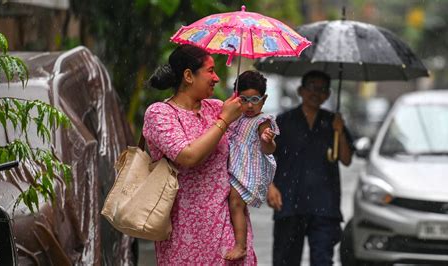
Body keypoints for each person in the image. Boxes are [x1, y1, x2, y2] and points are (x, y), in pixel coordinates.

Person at [143, 44, 257, 265]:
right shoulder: (160, 114)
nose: (216, 78)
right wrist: (224, 121)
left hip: (227, 227)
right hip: (183, 230)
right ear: (188, 76)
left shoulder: (216, 108)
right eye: (210, 70)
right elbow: (188, 156)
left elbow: (246, 145)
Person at [267, 70, 354, 266]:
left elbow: (346, 159)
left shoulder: (334, 122)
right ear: (301, 90)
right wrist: (270, 187)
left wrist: (339, 131)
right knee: (285, 261)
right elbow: (267, 157)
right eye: (312, 88)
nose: (316, 93)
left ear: (328, 95)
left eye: (322, 89)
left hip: (325, 206)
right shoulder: (283, 121)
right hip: (288, 202)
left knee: (323, 260)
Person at [225, 70, 279, 260]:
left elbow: (269, 149)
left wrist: (266, 140)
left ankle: (240, 246)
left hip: (247, 169)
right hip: (234, 166)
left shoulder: (262, 121)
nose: (249, 105)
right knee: (232, 204)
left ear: (263, 100)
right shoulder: (235, 116)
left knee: (235, 203)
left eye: (254, 99)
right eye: (244, 99)